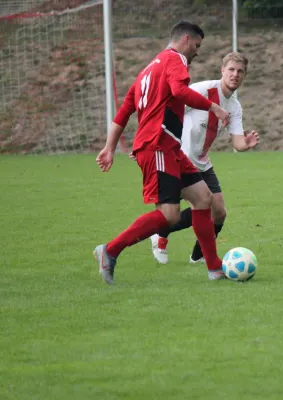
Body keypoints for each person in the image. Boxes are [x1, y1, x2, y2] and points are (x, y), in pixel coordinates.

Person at [93, 21, 231, 284]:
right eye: (197, 46)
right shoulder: (174, 59)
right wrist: (214, 107)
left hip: (167, 147)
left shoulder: (147, 70)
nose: (197, 52)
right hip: (157, 145)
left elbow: (124, 111)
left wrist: (110, 148)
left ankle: (214, 267)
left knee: (204, 199)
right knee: (170, 216)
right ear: (186, 40)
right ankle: (109, 251)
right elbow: (180, 91)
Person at [148, 52, 259, 265]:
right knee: (181, 210)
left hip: (201, 161)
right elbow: (168, 109)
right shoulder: (203, 90)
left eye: (240, 71)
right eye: (231, 70)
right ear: (222, 71)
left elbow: (237, 143)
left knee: (219, 213)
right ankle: (160, 232)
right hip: (179, 158)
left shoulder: (234, 106)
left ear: (245, 75)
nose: (235, 74)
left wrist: (246, 144)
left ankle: (197, 256)